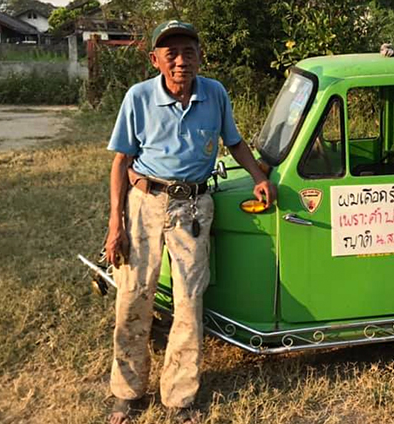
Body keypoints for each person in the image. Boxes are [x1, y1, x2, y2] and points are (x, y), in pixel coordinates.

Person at [103, 20, 275, 424]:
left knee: (188, 302)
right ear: (156, 60)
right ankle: (127, 393)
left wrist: (259, 177)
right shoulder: (138, 97)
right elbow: (120, 162)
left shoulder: (214, 93)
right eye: (171, 53)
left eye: (189, 52)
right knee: (134, 296)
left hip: (193, 208)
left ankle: (180, 399)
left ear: (200, 57)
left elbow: (234, 141)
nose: (181, 61)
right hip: (144, 204)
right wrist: (115, 223)